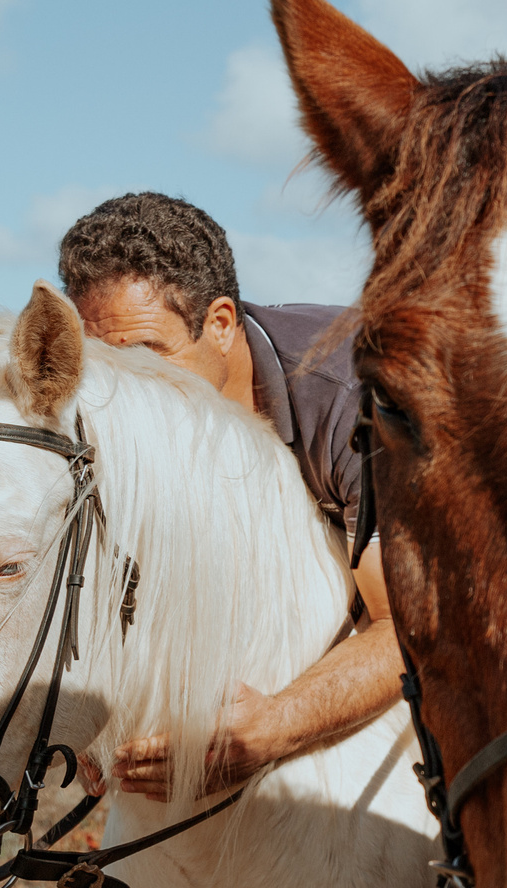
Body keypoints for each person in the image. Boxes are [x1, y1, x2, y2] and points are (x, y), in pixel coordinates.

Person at [56, 192, 397, 798]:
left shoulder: (350, 399)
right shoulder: (112, 405)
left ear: (219, 324)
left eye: (143, 357)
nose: (118, 391)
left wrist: (278, 726)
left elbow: (408, 627)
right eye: (101, 361)